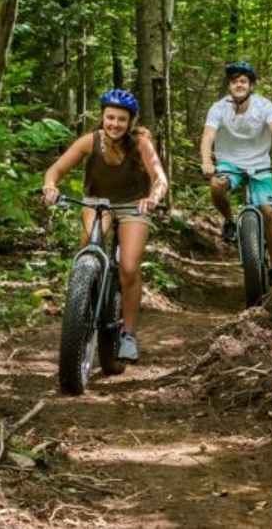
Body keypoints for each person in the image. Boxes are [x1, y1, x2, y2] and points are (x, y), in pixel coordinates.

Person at [42, 89, 167, 362]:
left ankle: (128, 335)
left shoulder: (141, 144)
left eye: (121, 119)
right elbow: (56, 170)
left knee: (130, 267)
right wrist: (50, 186)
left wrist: (153, 197)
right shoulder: (90, 141)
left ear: (130, 122)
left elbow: (160, 178)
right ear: (102, 117)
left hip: (134, 205)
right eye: (110, 118)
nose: (115, 124)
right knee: (87, 248)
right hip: (97, 202)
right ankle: (82, 301)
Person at [200, 61, 272, 282]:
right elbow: (207, 137)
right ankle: (230, 221)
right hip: (229, 164)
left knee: (268, 212)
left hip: (260, 164)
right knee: (216, 185)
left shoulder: (264, 106)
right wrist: (206, 160)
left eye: (243, 81)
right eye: (234, 81)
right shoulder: (218, 108)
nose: (239, 85)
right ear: (229, 85)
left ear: (251, 85)